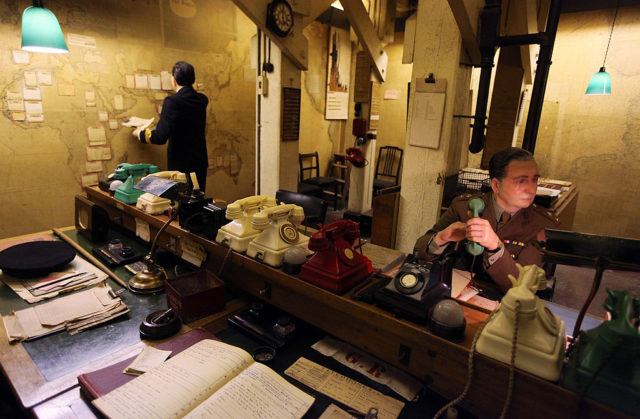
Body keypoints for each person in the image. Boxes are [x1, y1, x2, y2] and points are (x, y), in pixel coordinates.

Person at [414, 147, 559, 294]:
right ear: (496, 185)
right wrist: (440, 238)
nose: (531, 189)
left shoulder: (543, 226)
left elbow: (522, 288)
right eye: (521, 181)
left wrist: (495, 247)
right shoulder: (464, 207)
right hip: (460, 293)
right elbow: (419, 251)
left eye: (534, 180)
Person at [133, 61, 209, 192]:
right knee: (197, 202)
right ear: (193, 79)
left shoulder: (172, 102)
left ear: (173, 80)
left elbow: (160, 137)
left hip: (180, 166)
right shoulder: (202, 100)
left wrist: (140, 133)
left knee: (181, 203)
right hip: (199, 162)